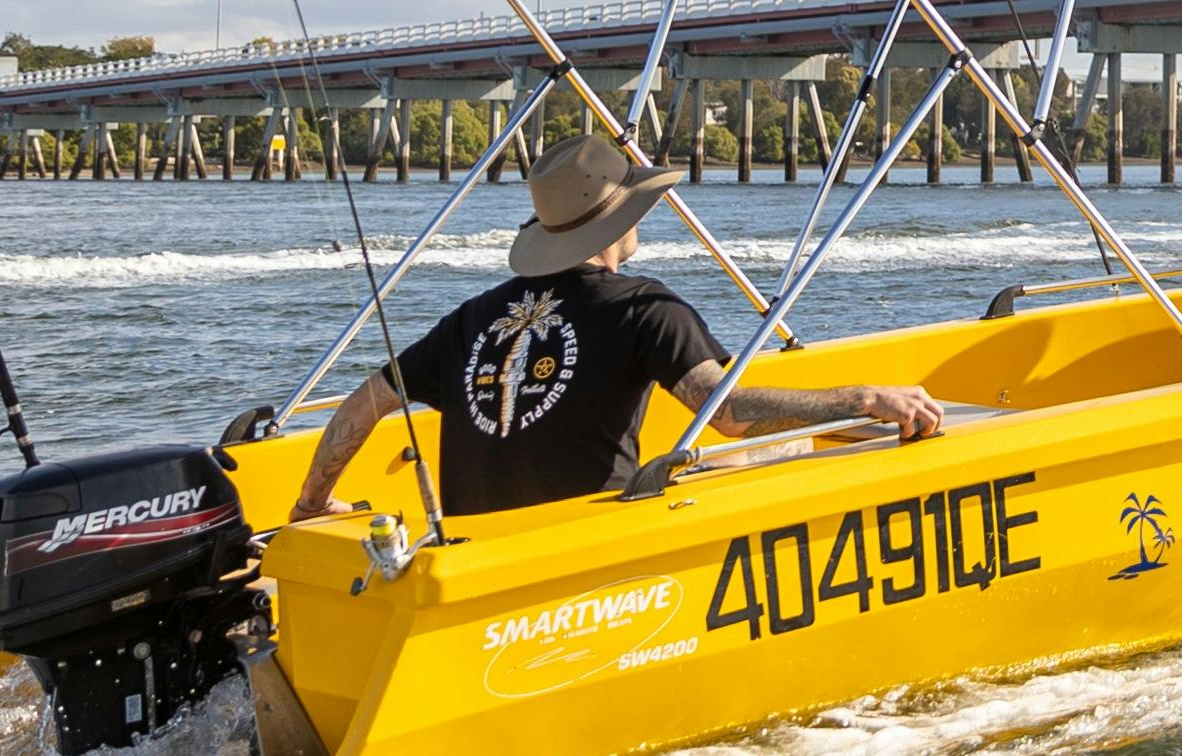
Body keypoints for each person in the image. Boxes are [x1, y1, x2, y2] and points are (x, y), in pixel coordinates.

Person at [286, 133, 951, 524]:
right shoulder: (643, 309)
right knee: (771, 453)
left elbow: (364, 403)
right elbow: (732, 414)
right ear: (620, 221)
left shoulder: (472, 318)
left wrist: (314, 501)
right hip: (587, 551)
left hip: (472, 552)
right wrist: (865, 398)